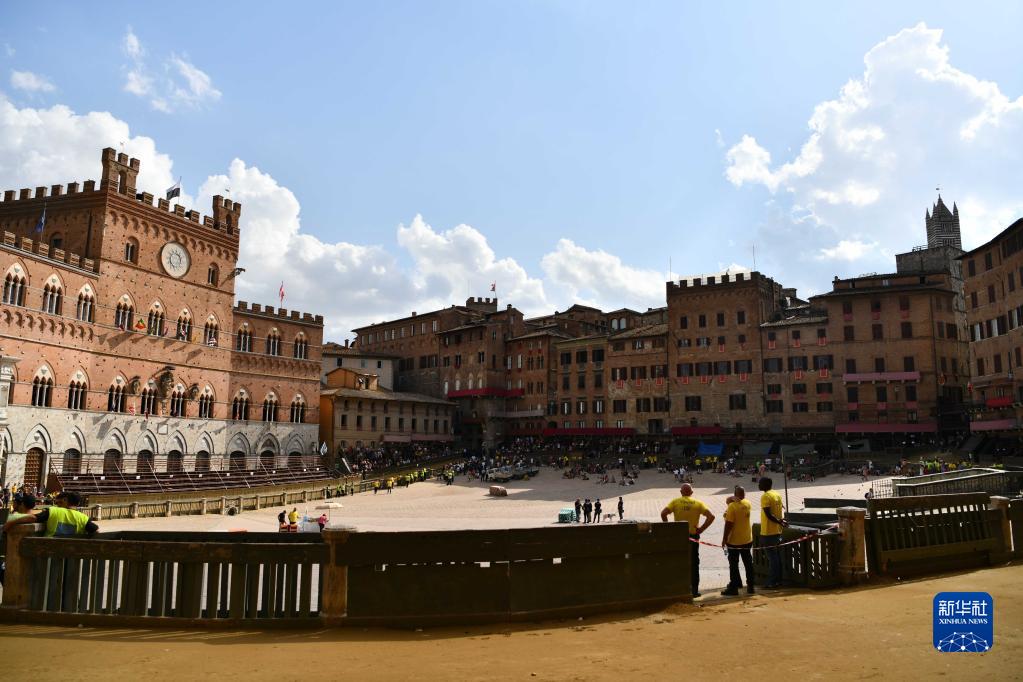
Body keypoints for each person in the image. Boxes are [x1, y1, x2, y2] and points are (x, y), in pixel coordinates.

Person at [660, 483, 715, 597]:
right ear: (691, 493)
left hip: (679, 536)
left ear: (681, 492)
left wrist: (669, 528)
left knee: (679, 561)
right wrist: (701, 529)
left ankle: (680, 590)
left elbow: (663, 513)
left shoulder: (675, 502)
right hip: (693, 537)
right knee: (694, 563)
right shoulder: (698, 503)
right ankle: (694, 591)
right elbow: (711, 516)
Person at [3, 491, 98, 538]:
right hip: (70, 557)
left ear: (65, 500)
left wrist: (11, 523)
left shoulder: (53, 511)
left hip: (48, 553)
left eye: (58, 502)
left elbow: (33, 518)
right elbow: (96, 531)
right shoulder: (83, 518)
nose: (57, 504)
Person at [721, 486, 754, 596]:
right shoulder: (748, 503)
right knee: (748, 563)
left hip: (734, 541)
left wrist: (724, 538)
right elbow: (728, 500)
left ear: (735, 495)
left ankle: (734, 588)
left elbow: (728, 524)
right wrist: (732, 498)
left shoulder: (732, 506)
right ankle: (751, 586)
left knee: (734, 564)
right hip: (747, 539)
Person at [758, 477, 788, 588]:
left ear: (765, 484)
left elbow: (768, 515)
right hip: (778, 531)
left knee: (772, 558)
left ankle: (772, 581)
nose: (758, 485)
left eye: (760, 483)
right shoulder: (777, 494)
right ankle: (778, 580)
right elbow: (781, 510)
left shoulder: (765, 496)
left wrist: (779, 521)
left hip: (768, 531)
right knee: (777, 557)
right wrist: (780, 521)